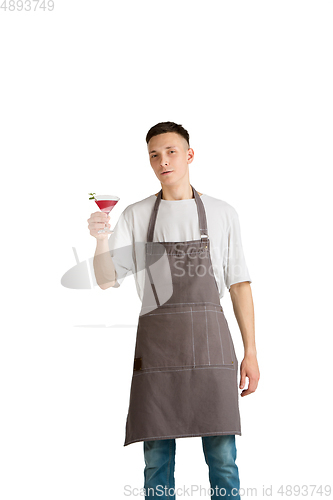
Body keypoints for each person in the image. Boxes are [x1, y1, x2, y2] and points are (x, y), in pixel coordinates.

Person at [88, 122, 260, 500]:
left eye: (171, 152)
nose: (163, 160)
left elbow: (239, 284)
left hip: (213, 350)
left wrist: (250, 351)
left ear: (189, 155)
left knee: (223, 459)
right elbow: (105, 279)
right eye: (154, 155)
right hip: (158, 354)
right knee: (157, 461)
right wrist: (101, 238)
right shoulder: (136, 215)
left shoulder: (221, 212)